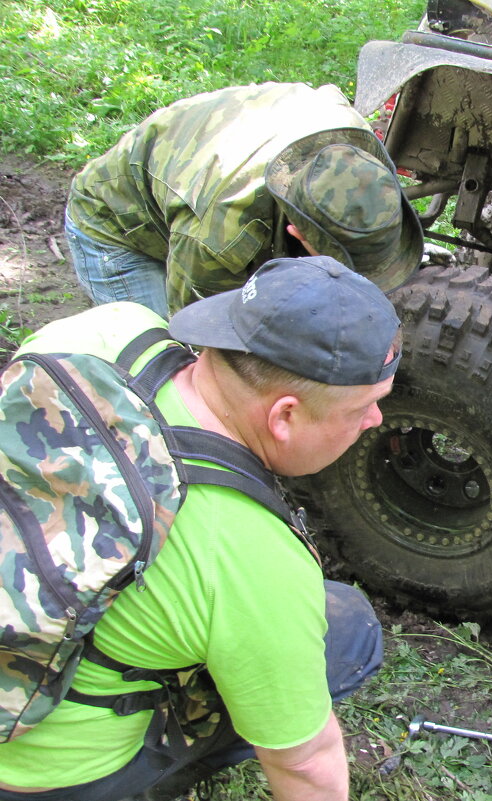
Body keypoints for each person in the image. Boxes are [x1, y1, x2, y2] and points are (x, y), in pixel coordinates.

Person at [0, 255, 401, 801]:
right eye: (365, 407)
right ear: (284, 416)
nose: (375, 421)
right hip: (41, 776)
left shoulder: (103, 329)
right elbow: (308, 766)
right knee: (348, 630)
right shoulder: (254, 563)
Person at [64, 82, 423, 317]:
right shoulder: (221, 238)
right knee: (163, 366)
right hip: (116, 225)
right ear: (298, 233)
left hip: (203, 166)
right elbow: (200, 335)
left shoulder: (356, 149)